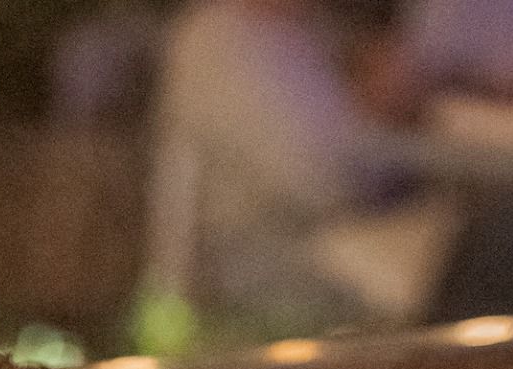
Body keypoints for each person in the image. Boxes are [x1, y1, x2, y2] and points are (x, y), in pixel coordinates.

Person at [145, 0, 458, 344]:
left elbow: (345, 153)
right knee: (472, 260)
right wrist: (389, 113)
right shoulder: (218, 42)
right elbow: (317, 180)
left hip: (333, 241)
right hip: (266, 268)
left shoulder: (297, 35)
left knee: (473, 246)